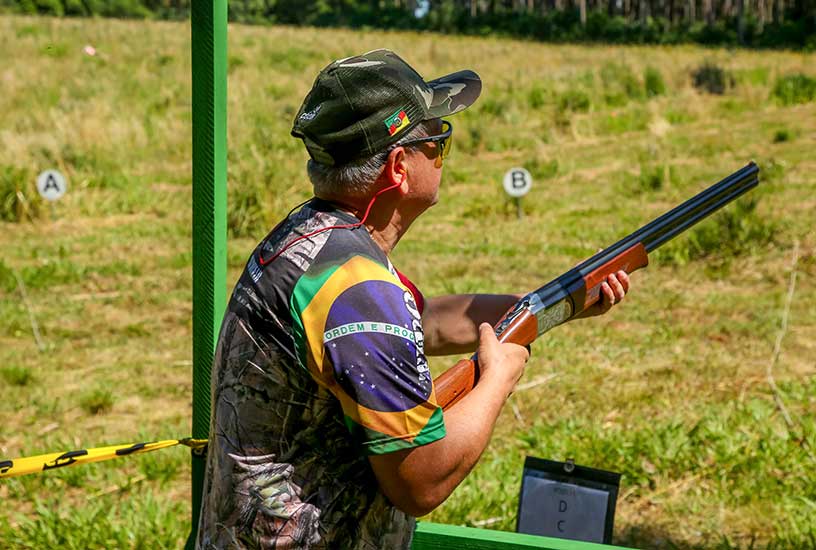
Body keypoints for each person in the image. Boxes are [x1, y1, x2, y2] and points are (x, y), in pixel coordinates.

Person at [196, 49, 630, 550]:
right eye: (438, 140)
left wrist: (550, 306)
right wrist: (499, 378)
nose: (444, 151)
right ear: (399, 167)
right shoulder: (358, 290)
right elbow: (422, 479)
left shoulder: (314, 239)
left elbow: (421, 323)